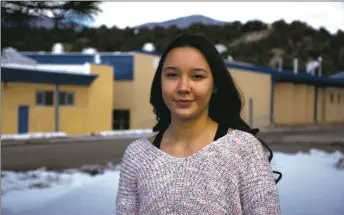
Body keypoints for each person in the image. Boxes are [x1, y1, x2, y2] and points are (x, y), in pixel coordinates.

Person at [116, 33, 281, 214]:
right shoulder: (137, 157)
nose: (183, 87)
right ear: (159, 82)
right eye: (172, 75)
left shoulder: (244, 149)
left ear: (215, 84)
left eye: (197, 76)